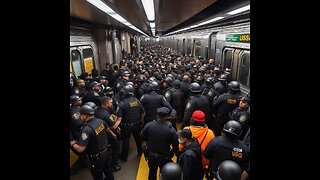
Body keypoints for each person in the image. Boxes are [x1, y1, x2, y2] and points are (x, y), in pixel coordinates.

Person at [70, 105, 115, 180]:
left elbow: (80, 149)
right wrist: (114, 136)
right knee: (108, 170)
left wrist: (73, 143)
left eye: (80, 115)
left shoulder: (86, 130)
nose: (80, 117)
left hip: (96, 158)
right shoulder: (100, 121)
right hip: (106, 152)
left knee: (98, 176)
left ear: (85, 116)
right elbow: (108, 130)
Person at [141, 107, 179, 180]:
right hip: (164, 157)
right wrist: (173, 152)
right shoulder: (171, 129)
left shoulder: (149, 125)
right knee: (163, 174)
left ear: (157, 115)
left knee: (152, 172)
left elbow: (142, 136)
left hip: (151, 155)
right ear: (167, 116)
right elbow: (175, 145)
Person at [180, 110, 215, 177]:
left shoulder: (186, 130)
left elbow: (180, 148)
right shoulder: (210, 133)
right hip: (202, 166)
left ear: (192, 120)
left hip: (187, 162)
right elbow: (211, 152)